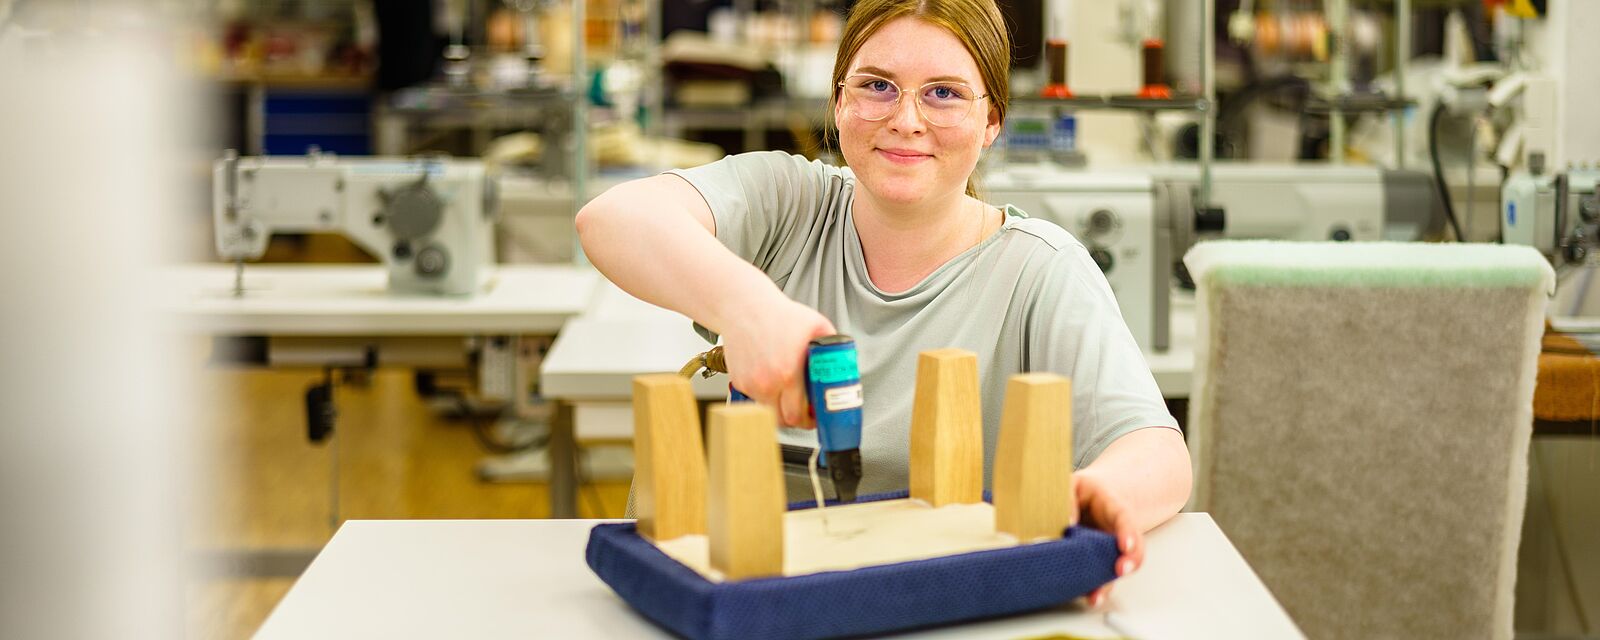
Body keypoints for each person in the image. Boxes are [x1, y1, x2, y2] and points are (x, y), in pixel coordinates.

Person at [576, 0, 1190, 606]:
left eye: (944, 93)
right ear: (839, 102)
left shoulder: (1040, 269)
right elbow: (612, 219)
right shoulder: (790, 205)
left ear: (992, 120)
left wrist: (1098, 494)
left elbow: (1156, 451)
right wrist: (749, 308)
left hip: (943, 604)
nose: (906, 119)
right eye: (877, 86)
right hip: (767, 599)